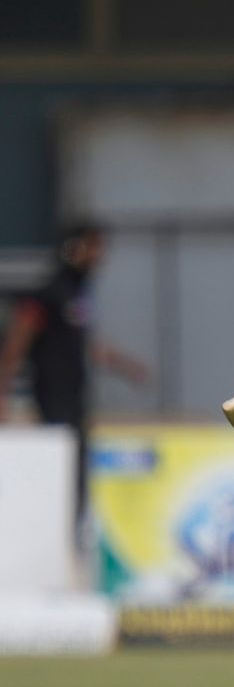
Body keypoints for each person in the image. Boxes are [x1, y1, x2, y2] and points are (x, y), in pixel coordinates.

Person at [0, 222, 149, 530]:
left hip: (75, 394)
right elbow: (18, 340)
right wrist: (3, 392)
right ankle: (55, 530)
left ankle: (74, 529)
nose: (100, 256)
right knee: (60, 467)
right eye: (94, 248)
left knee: (79, 467)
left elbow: (85, 344)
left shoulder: (78, 292)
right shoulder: (50, 291)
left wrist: (125, 366)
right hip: (53, 395)